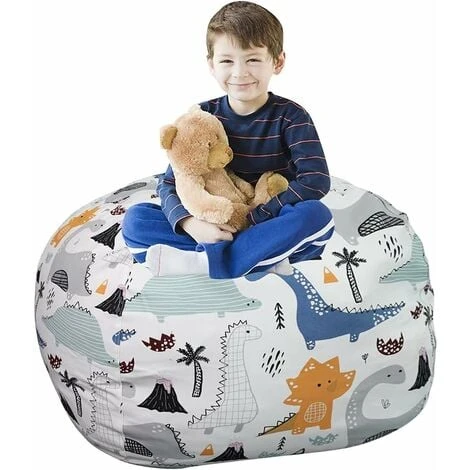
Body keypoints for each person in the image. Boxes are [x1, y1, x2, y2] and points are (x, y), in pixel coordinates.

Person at [122, 1, 334, 279]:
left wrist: (255, 217)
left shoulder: (292, 117)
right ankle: (257, 260)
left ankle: (209, 263)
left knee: (317, 216)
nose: (240, 72)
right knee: (136, 220)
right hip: (215, 223)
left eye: (253, 59)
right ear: (211, 65)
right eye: (227, 61)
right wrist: (191, 224)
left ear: (277, 62)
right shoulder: (201, 116)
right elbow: (173, 181)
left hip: (267, 221)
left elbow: (316, 180)